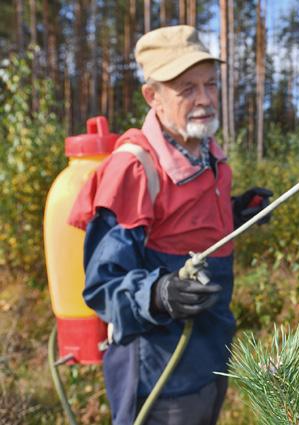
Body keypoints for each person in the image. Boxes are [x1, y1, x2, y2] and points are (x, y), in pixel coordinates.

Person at [68, 25, 272, 425]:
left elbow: (183, 227)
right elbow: (101, 285)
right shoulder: (135, 169)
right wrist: (158, 293)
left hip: (211, 353)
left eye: (210, 84)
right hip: (159, 373)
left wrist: (234, 213)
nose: (205, 99)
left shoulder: (208, 154)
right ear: (153, 96)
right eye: (187, 89)